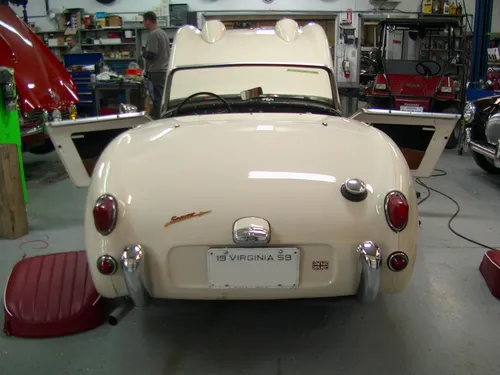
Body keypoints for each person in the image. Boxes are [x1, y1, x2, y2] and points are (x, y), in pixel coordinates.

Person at [142, 11, 171, 120]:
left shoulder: (153, 34)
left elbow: (151, 55)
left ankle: (159, 123)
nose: (143, 24)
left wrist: (143, 53)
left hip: (156, 72)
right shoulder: (163, 33)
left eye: (143, 21)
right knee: (161, 100)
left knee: (157, 100)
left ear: (148, 21)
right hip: (163, 71)